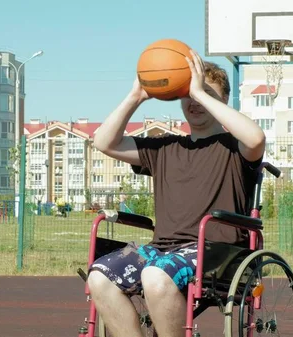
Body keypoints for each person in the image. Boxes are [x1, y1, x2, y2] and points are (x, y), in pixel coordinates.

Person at [86, 50, 266, 337]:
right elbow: (104, 142)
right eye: (188, 94)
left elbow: (257, 138)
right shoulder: (165, 148)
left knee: (156, 275)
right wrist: (136, 96)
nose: (195, 101)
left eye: (207, 93)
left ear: (222, 101)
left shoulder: (235, 147)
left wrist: (198, 90)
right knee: (100, 276)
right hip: (162, 249)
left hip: (217, 249)